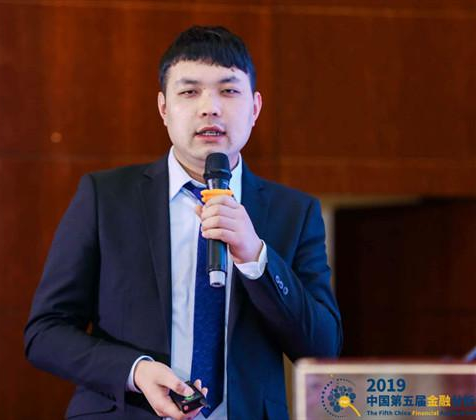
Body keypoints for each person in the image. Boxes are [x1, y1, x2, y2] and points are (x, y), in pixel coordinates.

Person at [24, 26, 342, 420]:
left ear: (255, 108)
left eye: (229, 91)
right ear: (163, 108)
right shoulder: (106, 198)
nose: (210, 108)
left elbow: (322, 349)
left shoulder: (294, 212)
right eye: (190, 92)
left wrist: (256, 257)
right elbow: (45, 332)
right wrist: (135, 371)